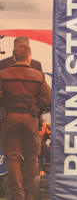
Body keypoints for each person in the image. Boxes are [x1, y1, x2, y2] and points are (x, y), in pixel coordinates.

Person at [0, 36, 51, 200]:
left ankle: (17, 194)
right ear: (29, 56)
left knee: (12, 157)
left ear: (14, 55)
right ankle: (30, 194)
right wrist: (36, 110)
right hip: (30, 119)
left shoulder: (3, 72)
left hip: (9, 118)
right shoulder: (37, 74)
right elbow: (47, 98)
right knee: (32, 158)